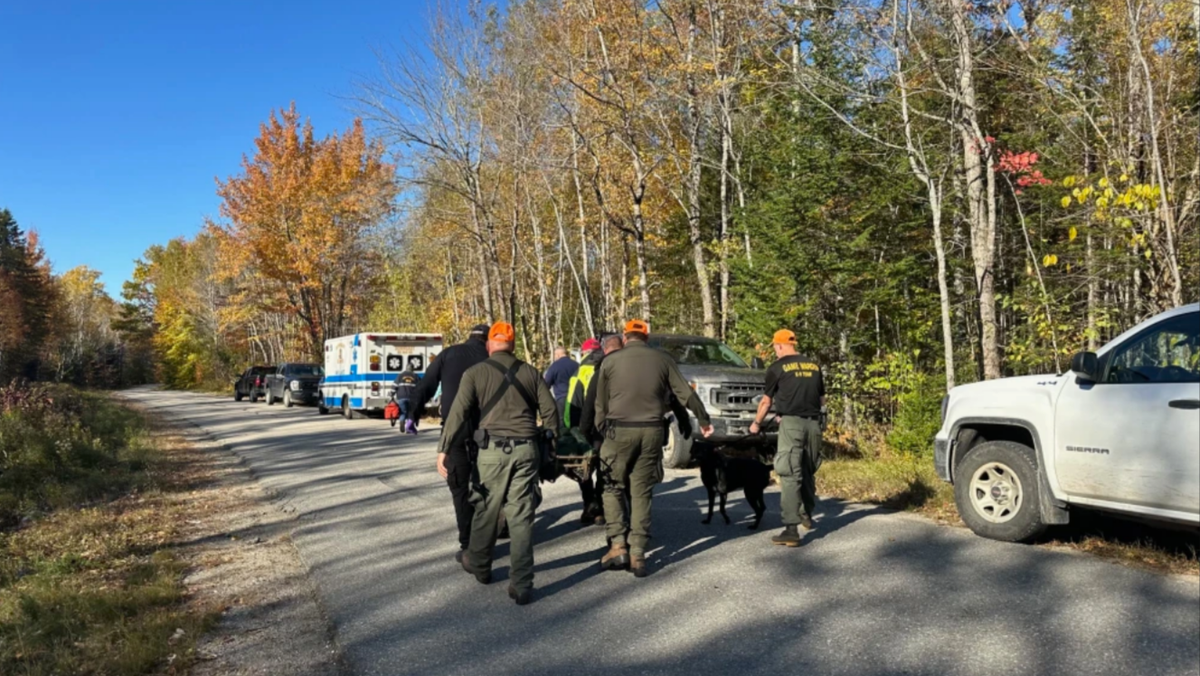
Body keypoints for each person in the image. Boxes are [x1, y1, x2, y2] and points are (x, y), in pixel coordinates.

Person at [437, 321, 558, 606]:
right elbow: (551, 413)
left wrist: (444, 448)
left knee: (485, 509)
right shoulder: (531, 372)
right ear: (512, 344)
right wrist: (550, 447)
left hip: (491, 451)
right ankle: (522, 583)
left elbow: (457, 413)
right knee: (521, 514)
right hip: (527, 450)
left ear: (490, 344)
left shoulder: (475, 373)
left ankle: (480, 565)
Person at [593, 320, 713, 577]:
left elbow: (600, 405)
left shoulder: (610, 362)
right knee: (641, 490)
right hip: (652, 431)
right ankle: (638, 553)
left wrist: (603, 430)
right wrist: (703, 419)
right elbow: (685, 394)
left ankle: (617, 545)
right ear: (646, 338)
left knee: (611, 486)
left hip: (619, 430)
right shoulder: (663, 360)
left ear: (626, 338)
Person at [413, 323, 490, 559]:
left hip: (455, 430)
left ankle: (468, 545)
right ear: (487, 340)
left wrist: (413, 413)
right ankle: (495, 529)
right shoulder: (492, 356)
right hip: (488, 428)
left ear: (469, 337)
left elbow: (426, 385)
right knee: (491, 483)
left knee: (459, 485)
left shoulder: (448, 354)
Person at [750, 329, 825, 547]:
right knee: (808, 469)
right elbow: (821, 399)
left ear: (780, 345)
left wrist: (756, 424)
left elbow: (766, 401)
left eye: (774, 347)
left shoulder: (777, 367)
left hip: (791, 425)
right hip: (813, 424)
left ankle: (791, 529)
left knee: (790, 473)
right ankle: (806, 514)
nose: (775, 350)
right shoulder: (814, 366)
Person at [565, 335, 621, 525]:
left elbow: (572, 403)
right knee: (605, 469)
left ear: (584, 353)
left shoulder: (580, 372)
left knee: (585, 469)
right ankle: (604, 507)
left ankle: (590, 506)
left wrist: (570, 429)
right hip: (612, 428)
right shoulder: (615, 367)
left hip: (588, 428)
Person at [543, 345, 579, 422]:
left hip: (562, 398)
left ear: (558, 355)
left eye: (555, 355)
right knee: (576, 421)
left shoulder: (554, 366)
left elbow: (546, 384)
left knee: (562, 421)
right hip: (576, 398)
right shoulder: (576, 365)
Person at [391, 368, 420, 434]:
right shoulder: (416, 376)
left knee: (403, 411)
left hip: (401, 397)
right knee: (411, 412)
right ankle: (408, 427)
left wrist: (392, 393)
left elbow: (394, 386)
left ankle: (402, 421)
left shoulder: (400, 375)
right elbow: (420, 386)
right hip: (412, 397)